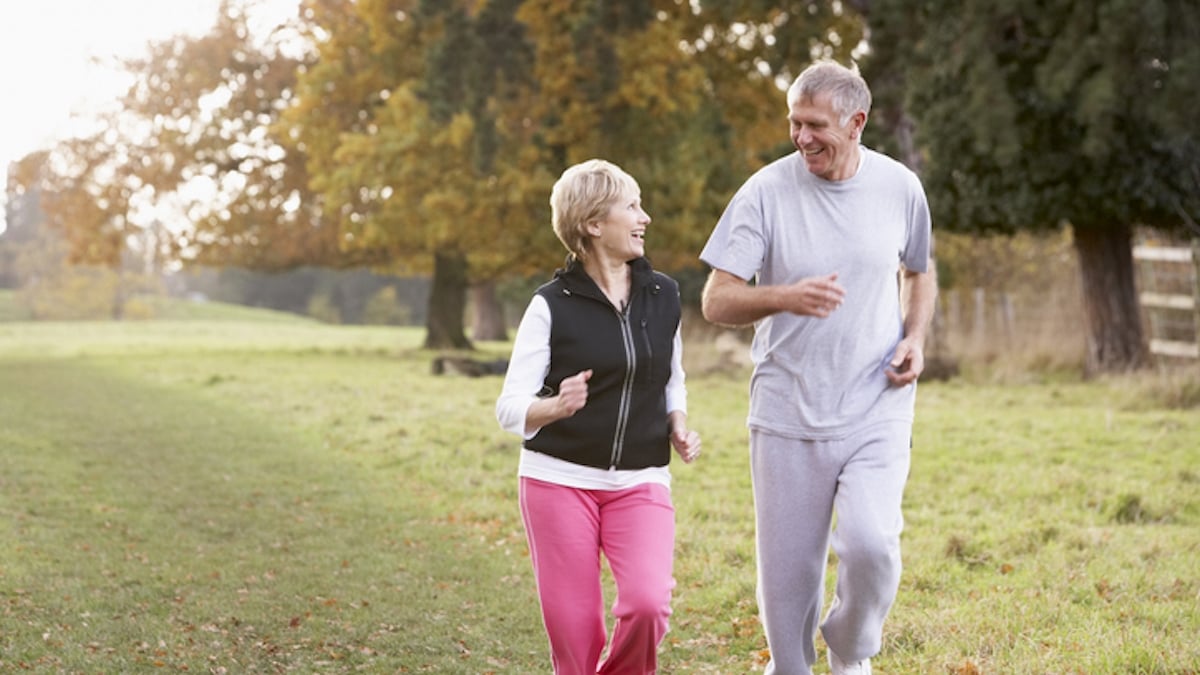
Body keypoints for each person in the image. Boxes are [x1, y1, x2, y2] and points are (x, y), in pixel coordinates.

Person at [698, 60, 937, 675]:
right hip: (787, 411)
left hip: (875, 403)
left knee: (873, 546)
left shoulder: (900, 187)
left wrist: (914, 335)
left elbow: (919, 269)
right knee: (787, 586)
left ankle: (852, 651)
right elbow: (716, 299)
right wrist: (784, 296)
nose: (801, 137)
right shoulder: (764, 192)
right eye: (793, 123)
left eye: (814, 124)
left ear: (856, 122)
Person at [495, 158, 702, 675]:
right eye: (632, 206)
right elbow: (509, 406)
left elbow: (672, 376)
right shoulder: (550, 305)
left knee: (647, 606)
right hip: (557, 481)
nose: (645, 217)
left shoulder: (665, 296)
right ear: (593, 224)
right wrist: (555, 406)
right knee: (577, 632)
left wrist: (677, 420)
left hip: (641, 480)